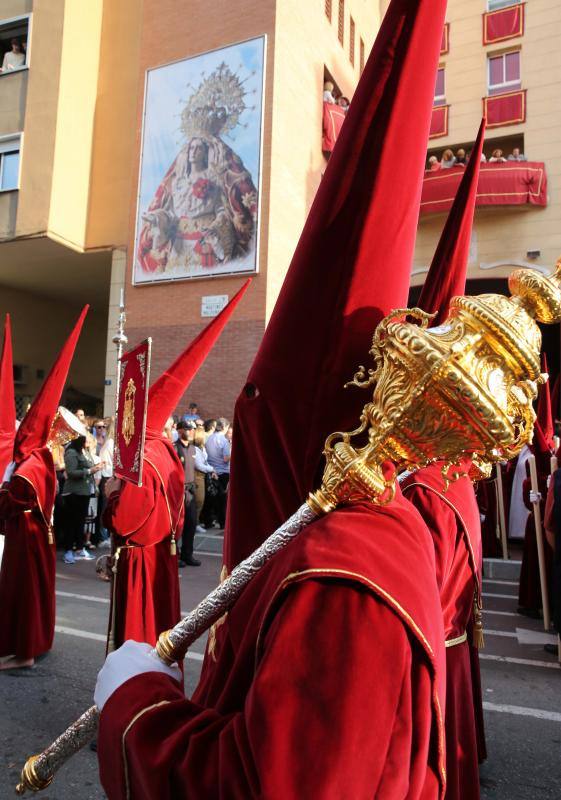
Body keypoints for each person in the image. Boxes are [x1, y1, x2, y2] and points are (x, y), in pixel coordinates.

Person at [0, 306, 88, 670]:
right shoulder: (39, 460)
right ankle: (29, 644)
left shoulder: (31, 464)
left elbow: (11, 501)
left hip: (26, 536)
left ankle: (25, 652)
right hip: (32, 535)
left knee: (24, 593)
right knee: (30, 592)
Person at [62, 435, 103, 563]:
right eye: (88, 440)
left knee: (80, 522)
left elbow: (89, 467)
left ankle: (80, 548)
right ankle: (68, 551)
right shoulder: (71, 452)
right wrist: (90, 470)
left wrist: (97, 466)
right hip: (73, 492)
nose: (90, 443)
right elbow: (71, 472)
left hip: (84, 492)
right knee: (71, 522)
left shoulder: (85, 452)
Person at [175, 420, 200, 567]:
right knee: (178, 526)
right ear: (179, 431)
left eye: (193, 429)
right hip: (179, 491)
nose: (191, 432)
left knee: (191, 524)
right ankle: (176, 556)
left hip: (191, 490)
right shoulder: (175, 448)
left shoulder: (193, 449)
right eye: (188, 429)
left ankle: (187, 554)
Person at [205, 418, 231, 529]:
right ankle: (223, 523)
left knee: (211, 499)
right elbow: (226, 459)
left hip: (211, 471)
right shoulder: (224, 441)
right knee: (223, 500)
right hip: (223, 472)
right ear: (225, 427)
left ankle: (209, 521)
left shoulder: (209, 438)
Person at [194, 428, 216, 533]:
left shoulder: (201, 448)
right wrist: (211, 469)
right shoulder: (195, 448)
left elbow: (205, 462)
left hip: (203, 476)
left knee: (201, 501)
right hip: (197, 477)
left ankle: (196, 522)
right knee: (198, 501)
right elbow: (199, 465)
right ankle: (195, 524)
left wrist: (211, 469)